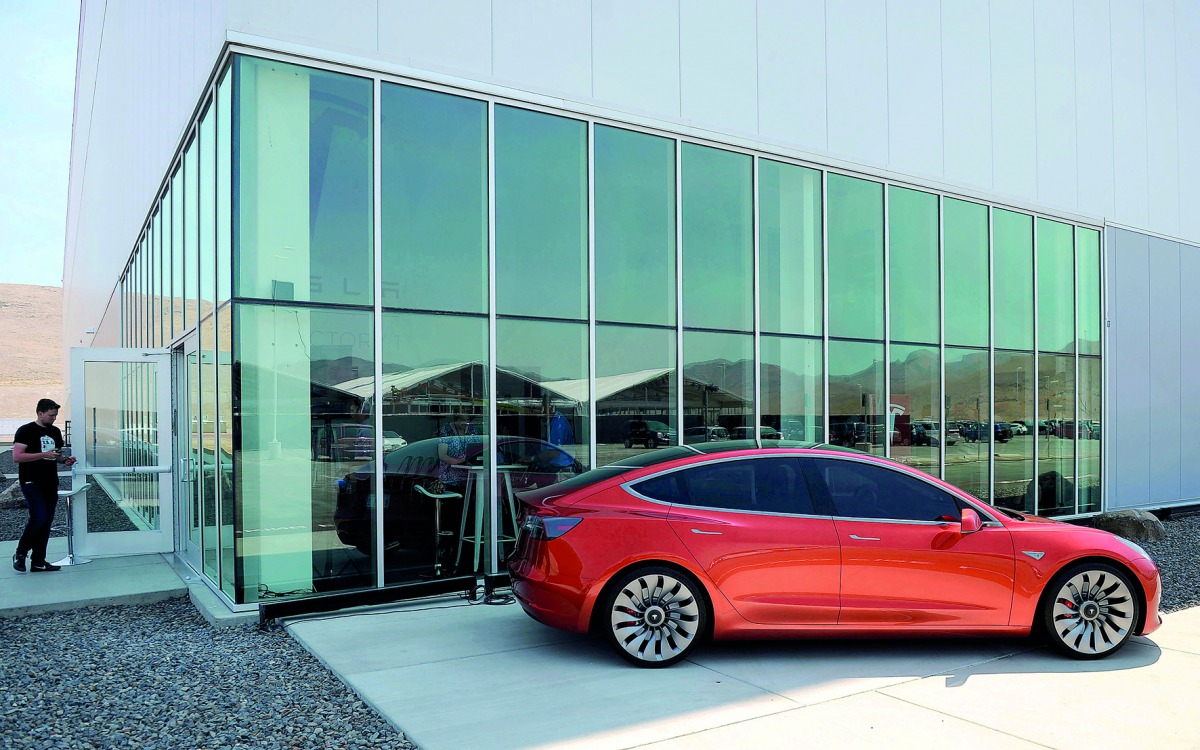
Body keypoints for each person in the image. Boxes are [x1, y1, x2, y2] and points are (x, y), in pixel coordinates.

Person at [12, 399, 76, 573]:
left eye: (55, 415)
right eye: (51, 415)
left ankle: (38, 561)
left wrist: (64, 460)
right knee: (38, 518)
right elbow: (17, 457)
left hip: (50, 482)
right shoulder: (26, 431)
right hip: (31, 482)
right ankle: (20, 553)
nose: (54, 418)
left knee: (46, 522)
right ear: (40, 413)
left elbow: (56, 455)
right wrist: (43, 454)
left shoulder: (55, 432)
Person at [436, 412, 480, 491]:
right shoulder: (446, 430)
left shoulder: (471, 429)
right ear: (456, 419)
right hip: (450, 476)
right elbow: (442, 455)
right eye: (463, 420)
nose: (466, 423)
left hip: (470, 474)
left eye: (468, 420)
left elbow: (478, 449)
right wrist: (458, 461)